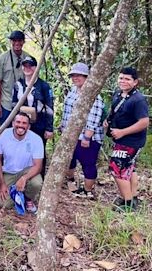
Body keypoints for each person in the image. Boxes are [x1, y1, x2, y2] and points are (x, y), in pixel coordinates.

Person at [105, 67, 149, 212]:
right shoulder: (118, 93)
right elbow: (115, 110)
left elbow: (144, 122)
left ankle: (127, 203)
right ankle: (133, 196)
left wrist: (123, 132)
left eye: (127, 79)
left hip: (131, 141)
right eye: (121, 78)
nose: (123, 81)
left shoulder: (138, 100)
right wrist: (108, 121)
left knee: (116, 169)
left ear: (135, 82)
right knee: (129, 168)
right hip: (121, 138)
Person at [61, 63, 104, 199]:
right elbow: (66, 112)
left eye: (79, 75)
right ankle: (71, 181)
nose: (75, 78)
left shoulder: (93, 95)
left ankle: (88, 190)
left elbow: (94, 117)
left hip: (87, 136)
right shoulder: (73, 91)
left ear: (86, 77)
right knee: (70, 159)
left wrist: (87, 137)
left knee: (88, 163)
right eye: (73, 75)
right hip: (71, 134)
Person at [12, 56, 54, 177]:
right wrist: (13, 122)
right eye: (25, 65)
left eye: (30, 65)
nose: (27, 68)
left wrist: (49, 128)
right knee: (21, 149)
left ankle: (39, 177)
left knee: (39, 150)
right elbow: (14, 104)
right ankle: (20, 175)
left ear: (36, 68)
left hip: (39, 123)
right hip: (21, 123)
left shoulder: (44, 86)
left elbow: (50, 108)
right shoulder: (18, 84)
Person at [0, 112, 43, 214]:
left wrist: (24, 178)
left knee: (36, 183)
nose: (21, 125)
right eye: (18, 122)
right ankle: (17, 192)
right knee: (3, 203)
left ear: (28, 126)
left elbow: (38, 166)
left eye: (24, 123)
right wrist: (2, 184)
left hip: (27, 171)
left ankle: (28, 199)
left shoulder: (36, 139)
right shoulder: (3, 135)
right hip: (9, 172)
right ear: (13, 123)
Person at [0, 30, 30, 125]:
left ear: (23, 42)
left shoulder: (28, 58)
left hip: (23, 104)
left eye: (19, 40)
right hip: (7, 103)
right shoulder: (3, 58)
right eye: (14, 40)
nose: (17, 43)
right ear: (11, 42)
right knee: (5, 132)